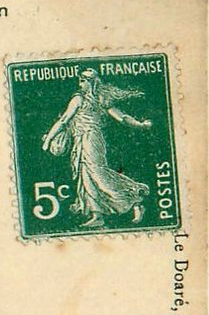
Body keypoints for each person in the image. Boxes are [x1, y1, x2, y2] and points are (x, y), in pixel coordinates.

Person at [42, 68, 152, 229]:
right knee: (86, 175)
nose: (80, 83)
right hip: (81, 140)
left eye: (83, 80)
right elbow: (66, 120)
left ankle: (134, 198)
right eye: (80, 80)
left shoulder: (89, 99)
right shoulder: (81, 98)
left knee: (97, 173)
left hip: (91, 139)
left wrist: (140, 125)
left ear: (91, 82)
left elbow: (120, 117)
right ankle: (97, 215)